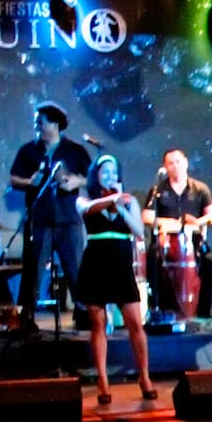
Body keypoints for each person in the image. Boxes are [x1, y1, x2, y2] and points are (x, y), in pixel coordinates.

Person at [72, 155, 156, 405]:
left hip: (121, 264)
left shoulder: (128, 201)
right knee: (98, 323)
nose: (109, 175)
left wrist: (120, 205)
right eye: (104, 171)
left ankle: (144, 377)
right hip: (95, 263)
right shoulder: (84, 198)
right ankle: (103, 381)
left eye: (113, 171)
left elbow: (139, 231)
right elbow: (87, 210)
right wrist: (112, 199)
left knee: (135, 324)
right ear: (95, 175)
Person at [6, 103, 90, 336]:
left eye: (40, 121)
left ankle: (83, 312)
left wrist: (76, 181)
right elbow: (14, 178)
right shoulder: (28, 151)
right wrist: (28, 183)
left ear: (54, 124)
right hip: (40, 219)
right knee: (33, 269)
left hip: (69, 219)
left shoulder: (74, 150)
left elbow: (91, 177)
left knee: (75, 268)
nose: (37, 125)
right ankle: (26, 316)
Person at [143, 147, 212, 322]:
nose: (175, 166)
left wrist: (197, 222)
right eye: (170, 163)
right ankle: (159, 308)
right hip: (165, 238)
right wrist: (170, 224)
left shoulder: (200, 188)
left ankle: (203, 311)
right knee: (151, 262)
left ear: (185, 163)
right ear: (165, 167)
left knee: (210, 263)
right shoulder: (157, 189)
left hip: (193, 238)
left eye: (178, 162)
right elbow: (146, 217)